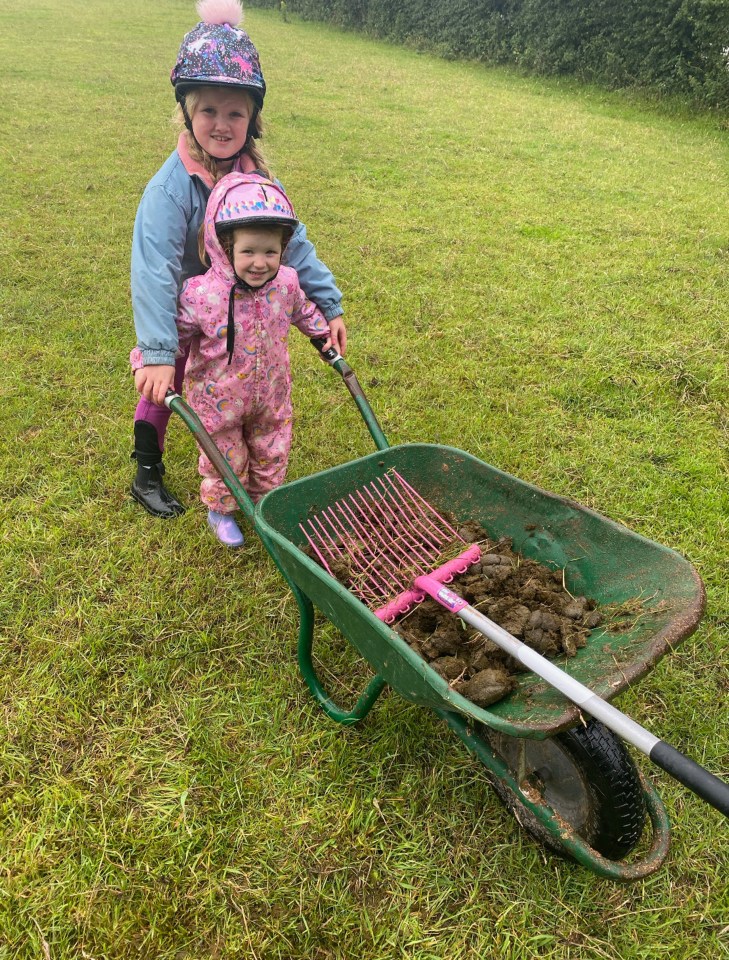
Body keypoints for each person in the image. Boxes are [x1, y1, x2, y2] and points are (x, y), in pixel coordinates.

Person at [130, 0, 346, 519]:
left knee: (238, 380)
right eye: (208, 110)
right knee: (167, 383)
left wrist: (329, 305)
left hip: (245, 301)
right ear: (186, 111)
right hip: (190, 304)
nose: (221, 124)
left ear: (253, 118)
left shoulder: (259, 181)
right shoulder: (169, 190)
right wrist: (159, 349)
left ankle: (246, 456)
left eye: (235, 112)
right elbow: (154, 269)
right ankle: (146, 469)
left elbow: (294, 245)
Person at [130, 173, 330, 547]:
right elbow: (177, 331)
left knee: (272, 450)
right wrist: (150, 358)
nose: (259, 263)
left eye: (270, 252)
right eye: (248, 252)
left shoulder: (286, 283)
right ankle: (221, 510)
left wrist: (322, 335)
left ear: (282, 250)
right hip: (216, 401)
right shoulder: (202, 294)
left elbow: (303, 310)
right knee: (225, 458)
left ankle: (264, 503)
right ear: (225, 247)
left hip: (271, 394)